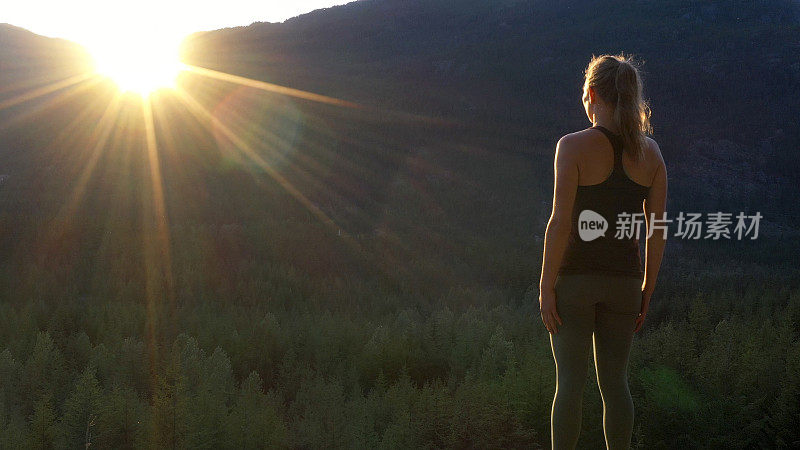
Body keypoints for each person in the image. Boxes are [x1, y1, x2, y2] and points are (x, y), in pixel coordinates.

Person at [538, 53, 667, 449]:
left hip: (575, 282)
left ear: (592, 93)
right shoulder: (651, 155)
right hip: (625, 285)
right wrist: (646, 290)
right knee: (616, 384)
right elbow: (656, 231)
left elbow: (560, 224)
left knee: (570, 386)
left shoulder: (573, 146)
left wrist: (546, 288)